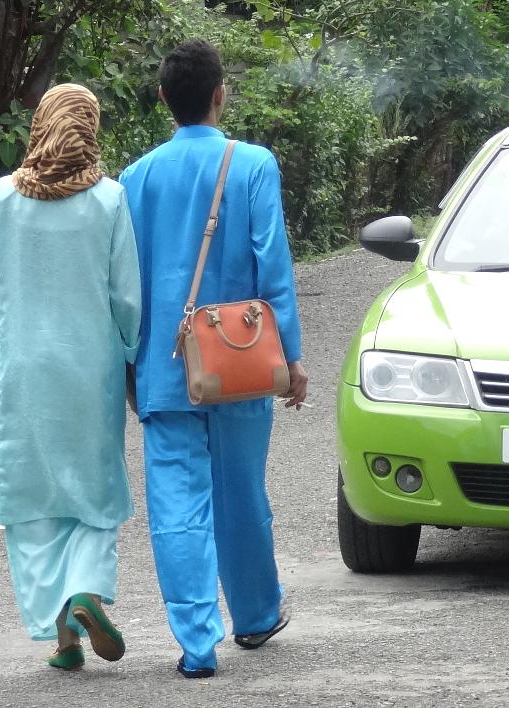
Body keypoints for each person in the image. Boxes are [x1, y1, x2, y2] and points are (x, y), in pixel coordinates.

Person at [119, 39, 308, 679]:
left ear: (163, 98)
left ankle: (197, 644)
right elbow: (273, 267)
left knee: (176, 505)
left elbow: (124, 286)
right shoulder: (252, 164)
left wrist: (129, 366)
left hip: (164, 365)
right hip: (241, 361)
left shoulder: (136, 179)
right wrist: (291, 357)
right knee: (240, 491)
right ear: (220, 95)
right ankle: (254, 615)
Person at [0, 83, 141, 672]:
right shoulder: (110, 199)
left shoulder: (5, 195)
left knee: (33, 498)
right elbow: (126, 297)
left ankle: (63, 638)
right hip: (90, 368)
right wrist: (132, 354)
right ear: (90, 129)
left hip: (24, 369)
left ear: (39, 126)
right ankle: (86, 593)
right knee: (93, 489)